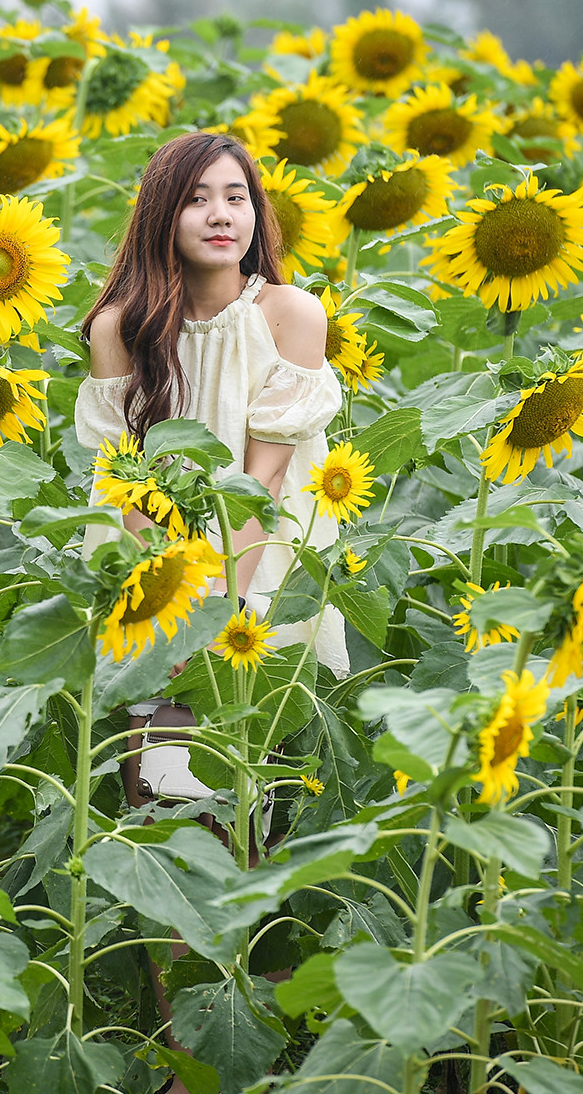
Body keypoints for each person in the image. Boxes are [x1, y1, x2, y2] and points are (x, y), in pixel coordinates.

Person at [75, 130, 348, 811]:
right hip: (150, 568)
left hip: (257, 571)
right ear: (162, 215)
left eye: (236, 197)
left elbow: (264, 483)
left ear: (257, 214)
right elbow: (126, 483)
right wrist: (166, 611)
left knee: (247, 780)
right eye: (197, 200)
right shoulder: (122, 328)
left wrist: (219, 613)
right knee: (159, 790)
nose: (221, 215)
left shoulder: (290, 316)